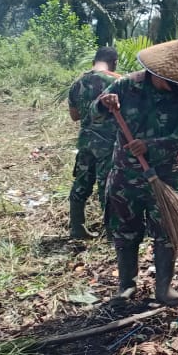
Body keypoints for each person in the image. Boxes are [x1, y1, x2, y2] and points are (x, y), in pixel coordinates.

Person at [97, 39, 178, 306]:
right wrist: (103, 103)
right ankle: (126, 286)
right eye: (173, 80)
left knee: (167, 230)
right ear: (157, 74)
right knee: (126, 229)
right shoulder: (126, 85)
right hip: (126, 175)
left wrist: (150, 146)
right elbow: (94, 114)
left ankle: (163, 288)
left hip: (165, 175)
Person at [67, 46, 120, 239]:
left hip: (85, 141)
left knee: (82, 182)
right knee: (108, 185)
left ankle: (76, 228)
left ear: (94, 61)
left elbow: (75, 116)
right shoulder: (117, 81)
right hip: (108, 143)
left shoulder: (77, 83)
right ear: (114, 62)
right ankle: (111, 231)